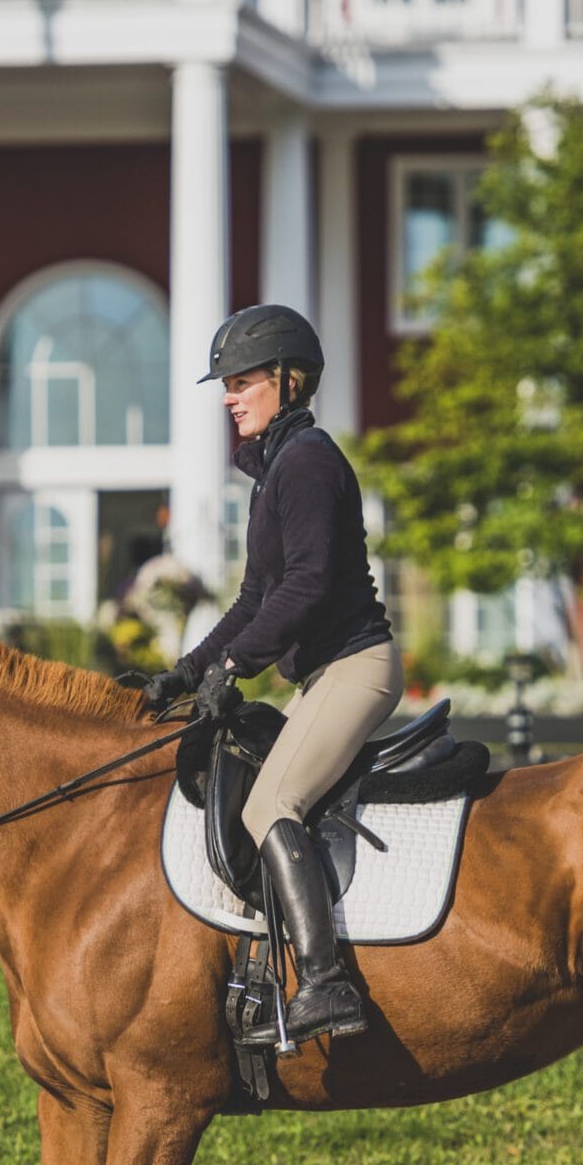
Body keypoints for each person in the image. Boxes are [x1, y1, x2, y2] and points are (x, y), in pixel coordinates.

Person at [142, 304, 400, 1043]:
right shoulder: (276, 472)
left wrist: (236, 664)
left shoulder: (310, 462)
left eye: (243, 379)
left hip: (357, 667)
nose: (229, 395)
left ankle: (326, 984)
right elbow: (256, 598)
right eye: (226, 383)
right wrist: (189, 671)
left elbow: (309, 585)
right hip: (326, 675)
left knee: (269, 804)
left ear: (289, 382)